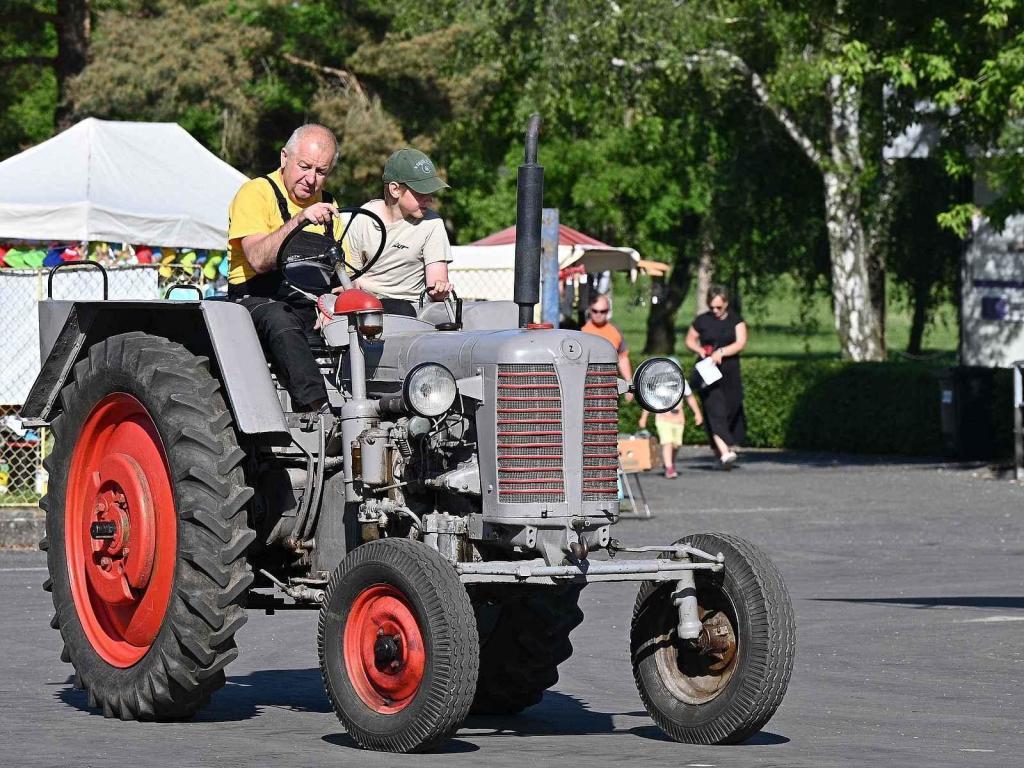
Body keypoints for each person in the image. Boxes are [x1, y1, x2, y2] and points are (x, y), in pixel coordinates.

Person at [226, 123, 341, 413]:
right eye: (305, 167)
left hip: (309, 303)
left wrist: (334, 304)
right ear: (284, 158)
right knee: (280, 318)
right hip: (254, 300)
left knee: (368, 316)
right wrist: (300, 220)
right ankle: (319, 410)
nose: (311, 179)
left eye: (321, 172)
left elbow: (339, 272)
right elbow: (257, 259)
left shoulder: (329, 204)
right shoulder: (255, 193)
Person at [344, 148, 454, 317]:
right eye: (420, 192)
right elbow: (351, 276)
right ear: (395, 190)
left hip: (411, 309)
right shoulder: (362, 218)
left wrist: (440, 290)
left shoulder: (433, 224)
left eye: (430, 192)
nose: (429, 199)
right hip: (367, 308)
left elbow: (436, 285)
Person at [685, 284, 748, 468]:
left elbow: (740, 342)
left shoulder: (736, 320)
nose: (715, 310)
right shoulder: (702, 320)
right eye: (712, 307)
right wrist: (700, 350)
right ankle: (725, 453)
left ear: (726, 303)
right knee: (714, 411)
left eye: (719, 307)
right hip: (708, 371)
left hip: (729, 370)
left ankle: (720, 449)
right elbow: (690, 340)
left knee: (732, 405)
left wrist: (722, 352)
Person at [637, 362, 703, 478]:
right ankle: (669, 467)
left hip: (678, 419)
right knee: (667, 442)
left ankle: (670, 463)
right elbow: (650, 401)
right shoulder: (659, 382)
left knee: (676, 445)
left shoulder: (682, 382)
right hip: (663, 418)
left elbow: (690, 398)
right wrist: (644, 417)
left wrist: (697, 413)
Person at [581, 293, 633, 388]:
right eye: (595, 311)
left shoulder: (614, 332)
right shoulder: (581, 332)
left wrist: (628, 383)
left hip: (609, 383)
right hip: (586, 383)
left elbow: (622, 358)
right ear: (590, 310)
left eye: (602, 311)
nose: (598, 314)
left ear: (608, 311)